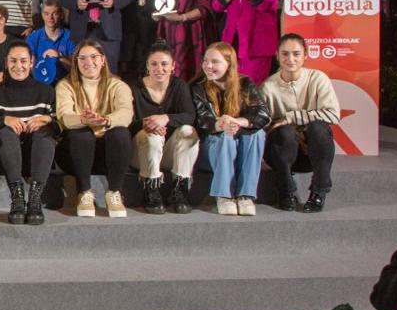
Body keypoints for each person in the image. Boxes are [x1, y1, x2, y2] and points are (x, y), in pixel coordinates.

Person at [261, 33, 341, 212]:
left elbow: (333, 115)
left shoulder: (318, 78)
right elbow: (265, 124)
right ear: (277, 55)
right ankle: (285, 191)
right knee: (285, 132)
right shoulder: (268, 87)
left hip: (314, 153)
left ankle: (319, 192)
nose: (290, 59)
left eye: (296, 54)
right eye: (285, 54)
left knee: (318, 127)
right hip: (283, 153)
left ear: (306, 55)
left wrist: (292, 117)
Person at [56, 39, 135, 219]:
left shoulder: (118, 85)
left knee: (120, 132)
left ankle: (114, 192)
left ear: (103, 60)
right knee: (81, 134)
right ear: (76, 62)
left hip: (109, 152)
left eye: (93, 57)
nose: (88, 62)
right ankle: (84, 192)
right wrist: (84, 119)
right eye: (82, 58)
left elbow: (126, 114)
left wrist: (106, 120)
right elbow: (65, 118)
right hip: (76, 152)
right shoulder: (65, 85)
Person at [192, 41, 270, 216]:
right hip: (210, 147)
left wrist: (239, 122)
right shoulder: (197, 88)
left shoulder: (245, 83)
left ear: (229, 65)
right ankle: (224, 195)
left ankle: (245, 195)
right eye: (206, 60)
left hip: (239, 142)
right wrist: (221, 124)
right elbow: (201, 120)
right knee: (226, 136)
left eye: (215, 62)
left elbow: (263, 114)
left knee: (257, 134)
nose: (208, 66)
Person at [0, 41, 58, 225]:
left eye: (23, 61)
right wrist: (4, 120)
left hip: (37, 159)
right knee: (7, 132)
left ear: (32, 62)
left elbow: (60, 126)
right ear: (6, 62)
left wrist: (47, 119)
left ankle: (34, 200)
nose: (18, 66)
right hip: (5, 158)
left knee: (44, 133)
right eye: (13, 61)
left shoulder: (47, 92)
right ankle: (17, 198)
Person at [130, 43, 199, 215]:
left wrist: (166, 118)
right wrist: (148, 123)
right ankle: (151, 189)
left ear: (173, 66)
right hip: (142, 152)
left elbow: (190, 116)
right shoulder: (135, 88)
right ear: (147, 66)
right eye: (153, 64)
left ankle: (180, 189)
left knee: (188, 131)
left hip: (168, 153)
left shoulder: (179, 86)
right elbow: (127, 124)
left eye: (164, 64)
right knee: (152, 135)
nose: (159, 68)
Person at [26, 1, 74, 85]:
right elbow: (30, 67)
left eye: (54, 14)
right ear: (42, 15)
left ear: (61, 15)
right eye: (46, 14)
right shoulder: (33, 38)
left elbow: (75, 68)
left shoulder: (70, 37)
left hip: (64, 83)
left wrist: (59, 57)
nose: (50, 18)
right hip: (40, 83)